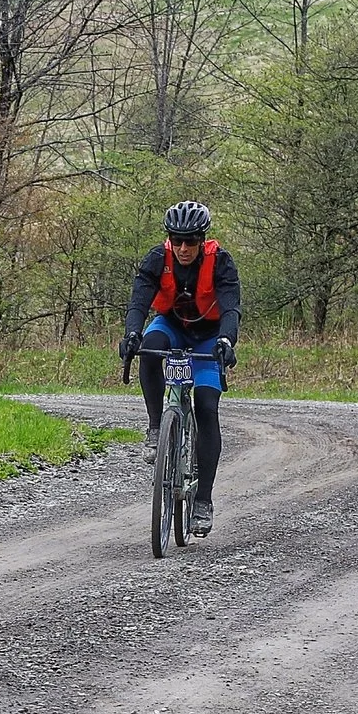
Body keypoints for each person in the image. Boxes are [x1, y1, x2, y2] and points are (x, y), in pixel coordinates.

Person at [119, 198, 239, 524]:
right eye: (177, 240)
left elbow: (231, 309)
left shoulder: (221, 262)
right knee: (149, 345)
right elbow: (138, 303)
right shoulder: (158, 258)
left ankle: (203, 501)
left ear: (202, 240)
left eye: (191, 241)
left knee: (206, 405)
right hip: (171, 326)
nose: (183, 247)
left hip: (208, 336)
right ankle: (157, 426)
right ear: (169, 238)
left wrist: (227, 340)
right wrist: (131, 334)